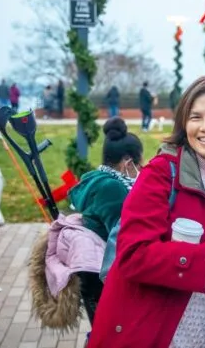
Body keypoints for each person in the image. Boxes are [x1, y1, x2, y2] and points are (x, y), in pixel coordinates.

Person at [88, 76, 205, 348]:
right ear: (183, 122)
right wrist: (203, 256)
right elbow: (132, 255)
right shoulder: (162, 173)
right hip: (153, 334)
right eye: (195, 117)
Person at [68, 116, 143, 324]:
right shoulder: (114, 188)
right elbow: (125, 236)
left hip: (91, 272)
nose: (143, 169)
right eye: (140, 162)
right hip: (102, 276)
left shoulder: (96, 178)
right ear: (128, 163)